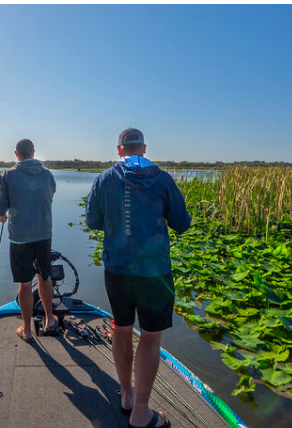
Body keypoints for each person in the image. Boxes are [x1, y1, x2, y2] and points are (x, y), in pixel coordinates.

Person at [83, 127, 192, 428]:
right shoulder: (162, 179)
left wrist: (119, 220)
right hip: (154, 274)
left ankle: (127, 397)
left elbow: (93, 221)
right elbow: (182, 224)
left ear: (119, 150)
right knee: (150, 336)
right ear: (143, 148)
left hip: (117, 269)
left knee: (121, 327)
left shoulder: (104, 179)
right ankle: (141, 412)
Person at [0, 138, 57, 342]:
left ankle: (27, 330)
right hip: (44, 235)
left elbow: (0, 205)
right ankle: (49, 320)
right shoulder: (47, 175)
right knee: (44, 277)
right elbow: (51, 195)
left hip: (20, 238)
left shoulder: (7, 175)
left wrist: (1, 215)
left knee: (25, 283)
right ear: (33, 153)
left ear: (16, 154)